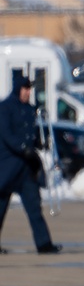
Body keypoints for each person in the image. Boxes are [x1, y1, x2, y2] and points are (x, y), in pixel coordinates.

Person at [0, 73, 61, 254]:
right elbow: (6, 134)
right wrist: (22, 147)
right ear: (18, 88)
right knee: (0, 209)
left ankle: (44, 244)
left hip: (26, 169)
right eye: (25, 89)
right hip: (7, 168)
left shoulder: (29, 109)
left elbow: (31, 133)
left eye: (29, 89)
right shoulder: (5, 108)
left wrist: (39, 143)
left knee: (34, 207)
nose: (28, 93)